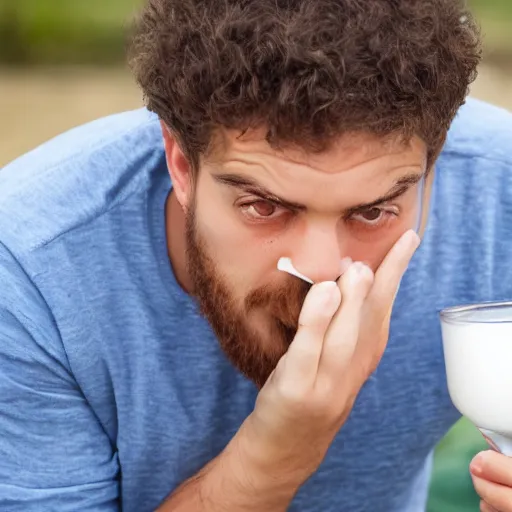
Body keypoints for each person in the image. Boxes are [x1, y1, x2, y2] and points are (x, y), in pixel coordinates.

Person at [1, 0, 511, 510]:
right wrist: (272, 458)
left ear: (433, 166)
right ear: (182, 164)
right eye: (263, 206)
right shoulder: (28, 271)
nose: (319, 270)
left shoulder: (498, 189)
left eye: (373, 212)